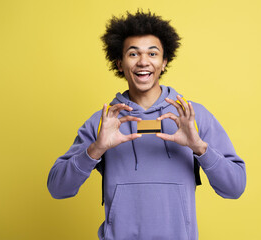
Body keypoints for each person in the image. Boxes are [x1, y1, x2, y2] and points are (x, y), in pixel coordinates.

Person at [47, 10, 246, 240]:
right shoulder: (105, 121)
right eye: (133, 54)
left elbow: (235, 187)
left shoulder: (192, 117)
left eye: (153, 53)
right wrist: (96, 150)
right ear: (120, 63)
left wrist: (200, 147)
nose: (143, 61)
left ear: (164, 62)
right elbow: (57, 189)